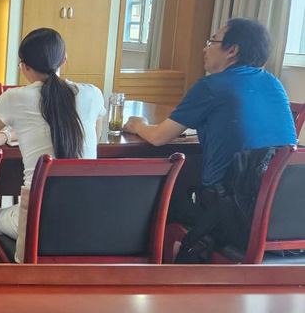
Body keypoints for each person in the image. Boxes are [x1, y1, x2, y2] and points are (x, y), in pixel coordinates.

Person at [123, 17, 297, 224]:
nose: (204, 49)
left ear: (232, 50)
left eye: (212, 42)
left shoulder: (212, 86)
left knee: (159, 201)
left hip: (230, 211)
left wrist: (139, 125)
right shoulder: (273, 83)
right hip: (280, 212)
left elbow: (158, 138)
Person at [0, 28, 105, 263]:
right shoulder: (93, 94)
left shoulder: (14, 98)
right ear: (64, 58)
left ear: (24, 66)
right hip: (86, 218)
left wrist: (7, 136)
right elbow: (95, 138)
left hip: (37, 220)